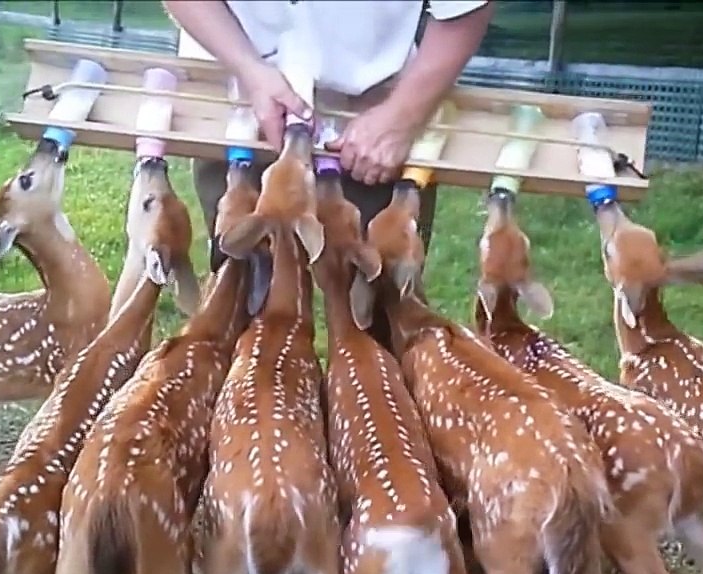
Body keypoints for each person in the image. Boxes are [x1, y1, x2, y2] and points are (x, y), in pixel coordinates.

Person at [163, 0, 494, 346]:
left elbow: (468, 8)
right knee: (237, 306)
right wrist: (248, 69)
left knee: (383, 319)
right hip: (240, 101)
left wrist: (402, 116)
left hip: (374, 113)